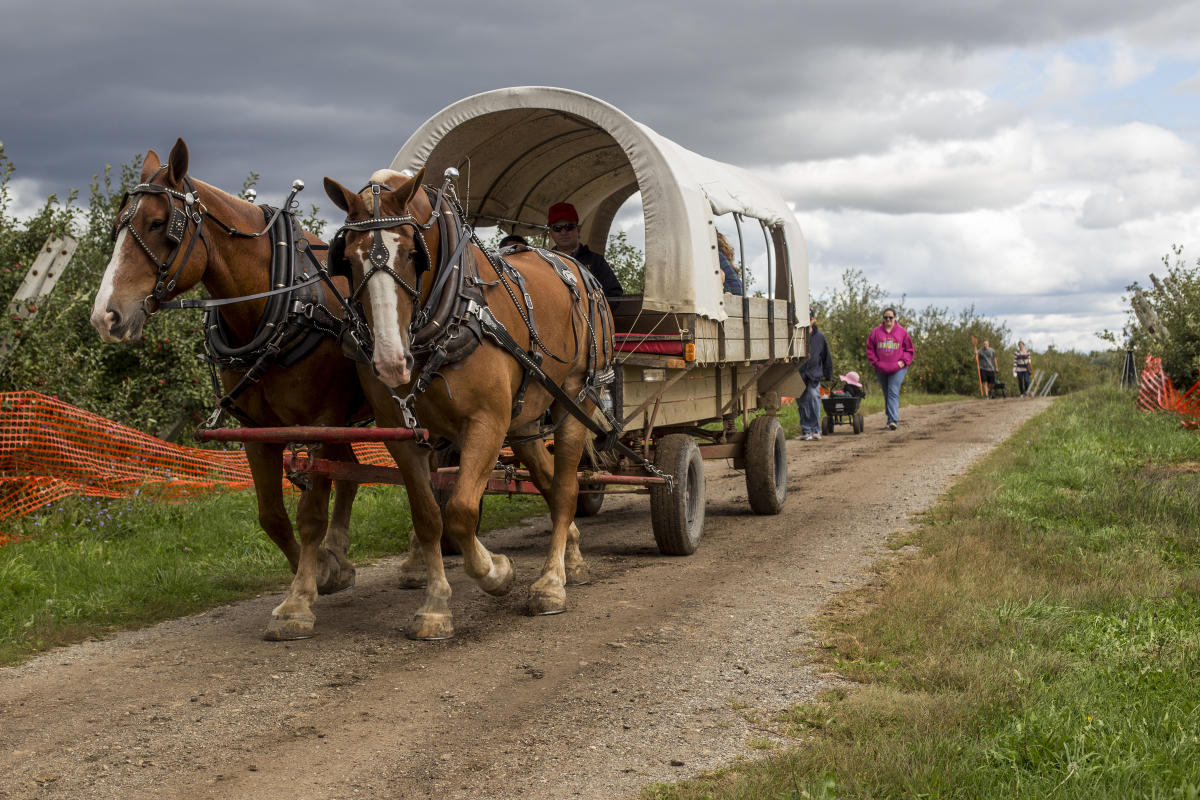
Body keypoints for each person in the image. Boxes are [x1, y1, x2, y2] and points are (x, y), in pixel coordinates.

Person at [546, 202, 623, 298]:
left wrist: (592, 311)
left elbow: (614, 294)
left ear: (578, 229)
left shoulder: (596, 261)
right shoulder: (544, 262)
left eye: (569, 227)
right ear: (550, 232)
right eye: (557, 228)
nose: (563, 232)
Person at [865, 307, 914, 430]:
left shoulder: (902, 332)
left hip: (897, 369)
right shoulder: (876, 332)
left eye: (890, 317)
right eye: (886, 317)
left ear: (895, 318)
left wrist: (903, 362)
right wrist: (875, 363)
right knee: (887, 393)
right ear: (883, 319)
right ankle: (889, 419)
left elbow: (909, 350)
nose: (888, 320)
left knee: (892, 391)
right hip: (881, 368)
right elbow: (870, 349)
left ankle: (893, 420)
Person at [798, 307, 833, 441]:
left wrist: (828, 375)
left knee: (813, 397)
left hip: (814, 374)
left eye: (809, 319)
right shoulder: (796, 335)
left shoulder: (820, 337)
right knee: (802, 403)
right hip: (799, 374)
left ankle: (815, 429)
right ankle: (806, 430)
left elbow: (826, 357)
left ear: (813, 320)